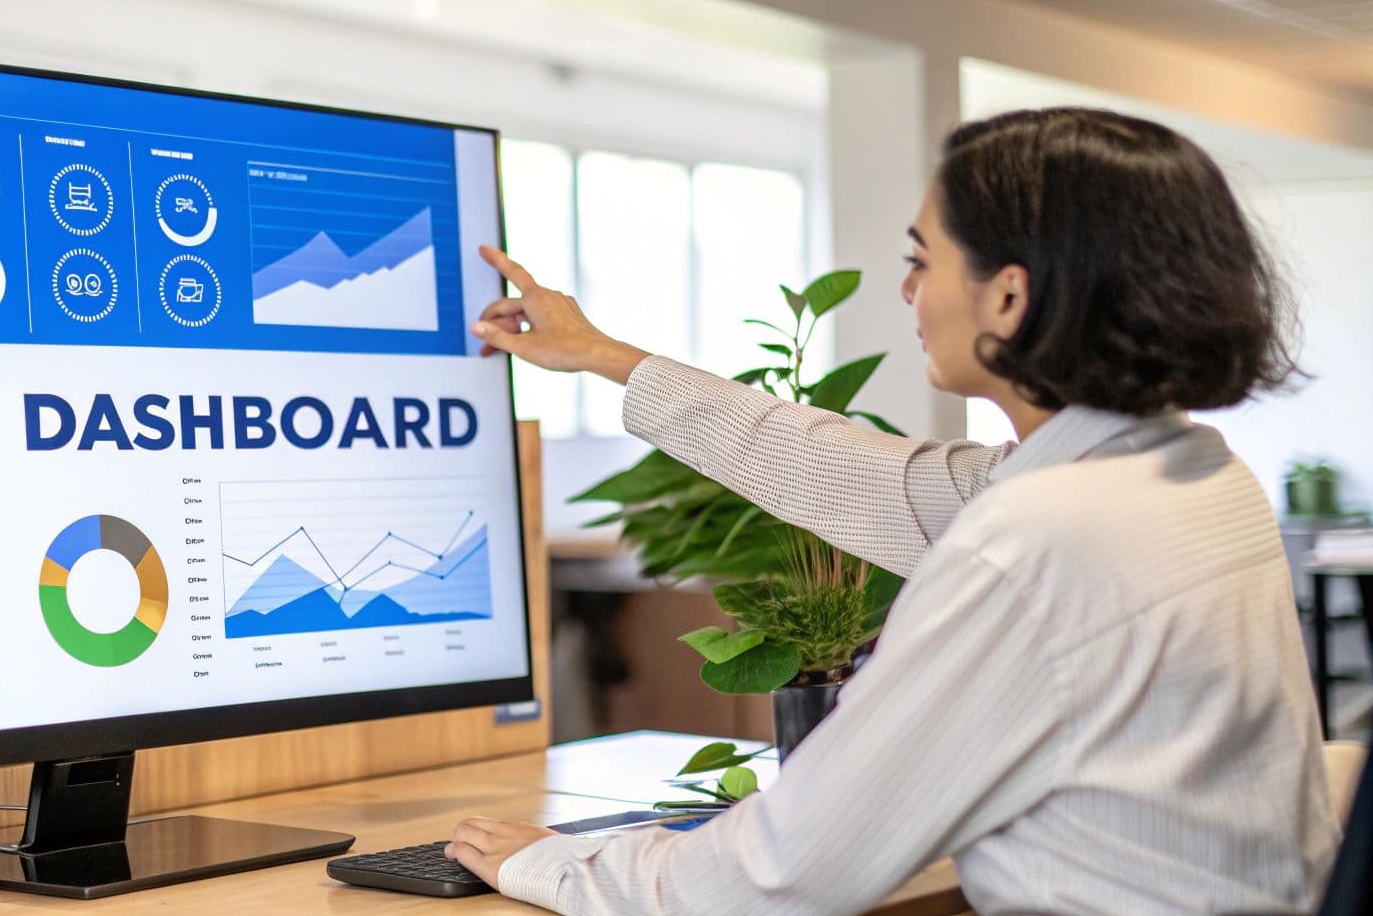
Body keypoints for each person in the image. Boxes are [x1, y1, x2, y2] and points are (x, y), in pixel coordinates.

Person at [445, 108, 1342, 913]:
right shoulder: (1190, 475)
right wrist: (603, 355)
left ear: (1009, 295)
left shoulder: (1042, 538)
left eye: (922, 260)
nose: (908, 292)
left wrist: (561, 866)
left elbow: (782, 874)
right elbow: (857, 474)